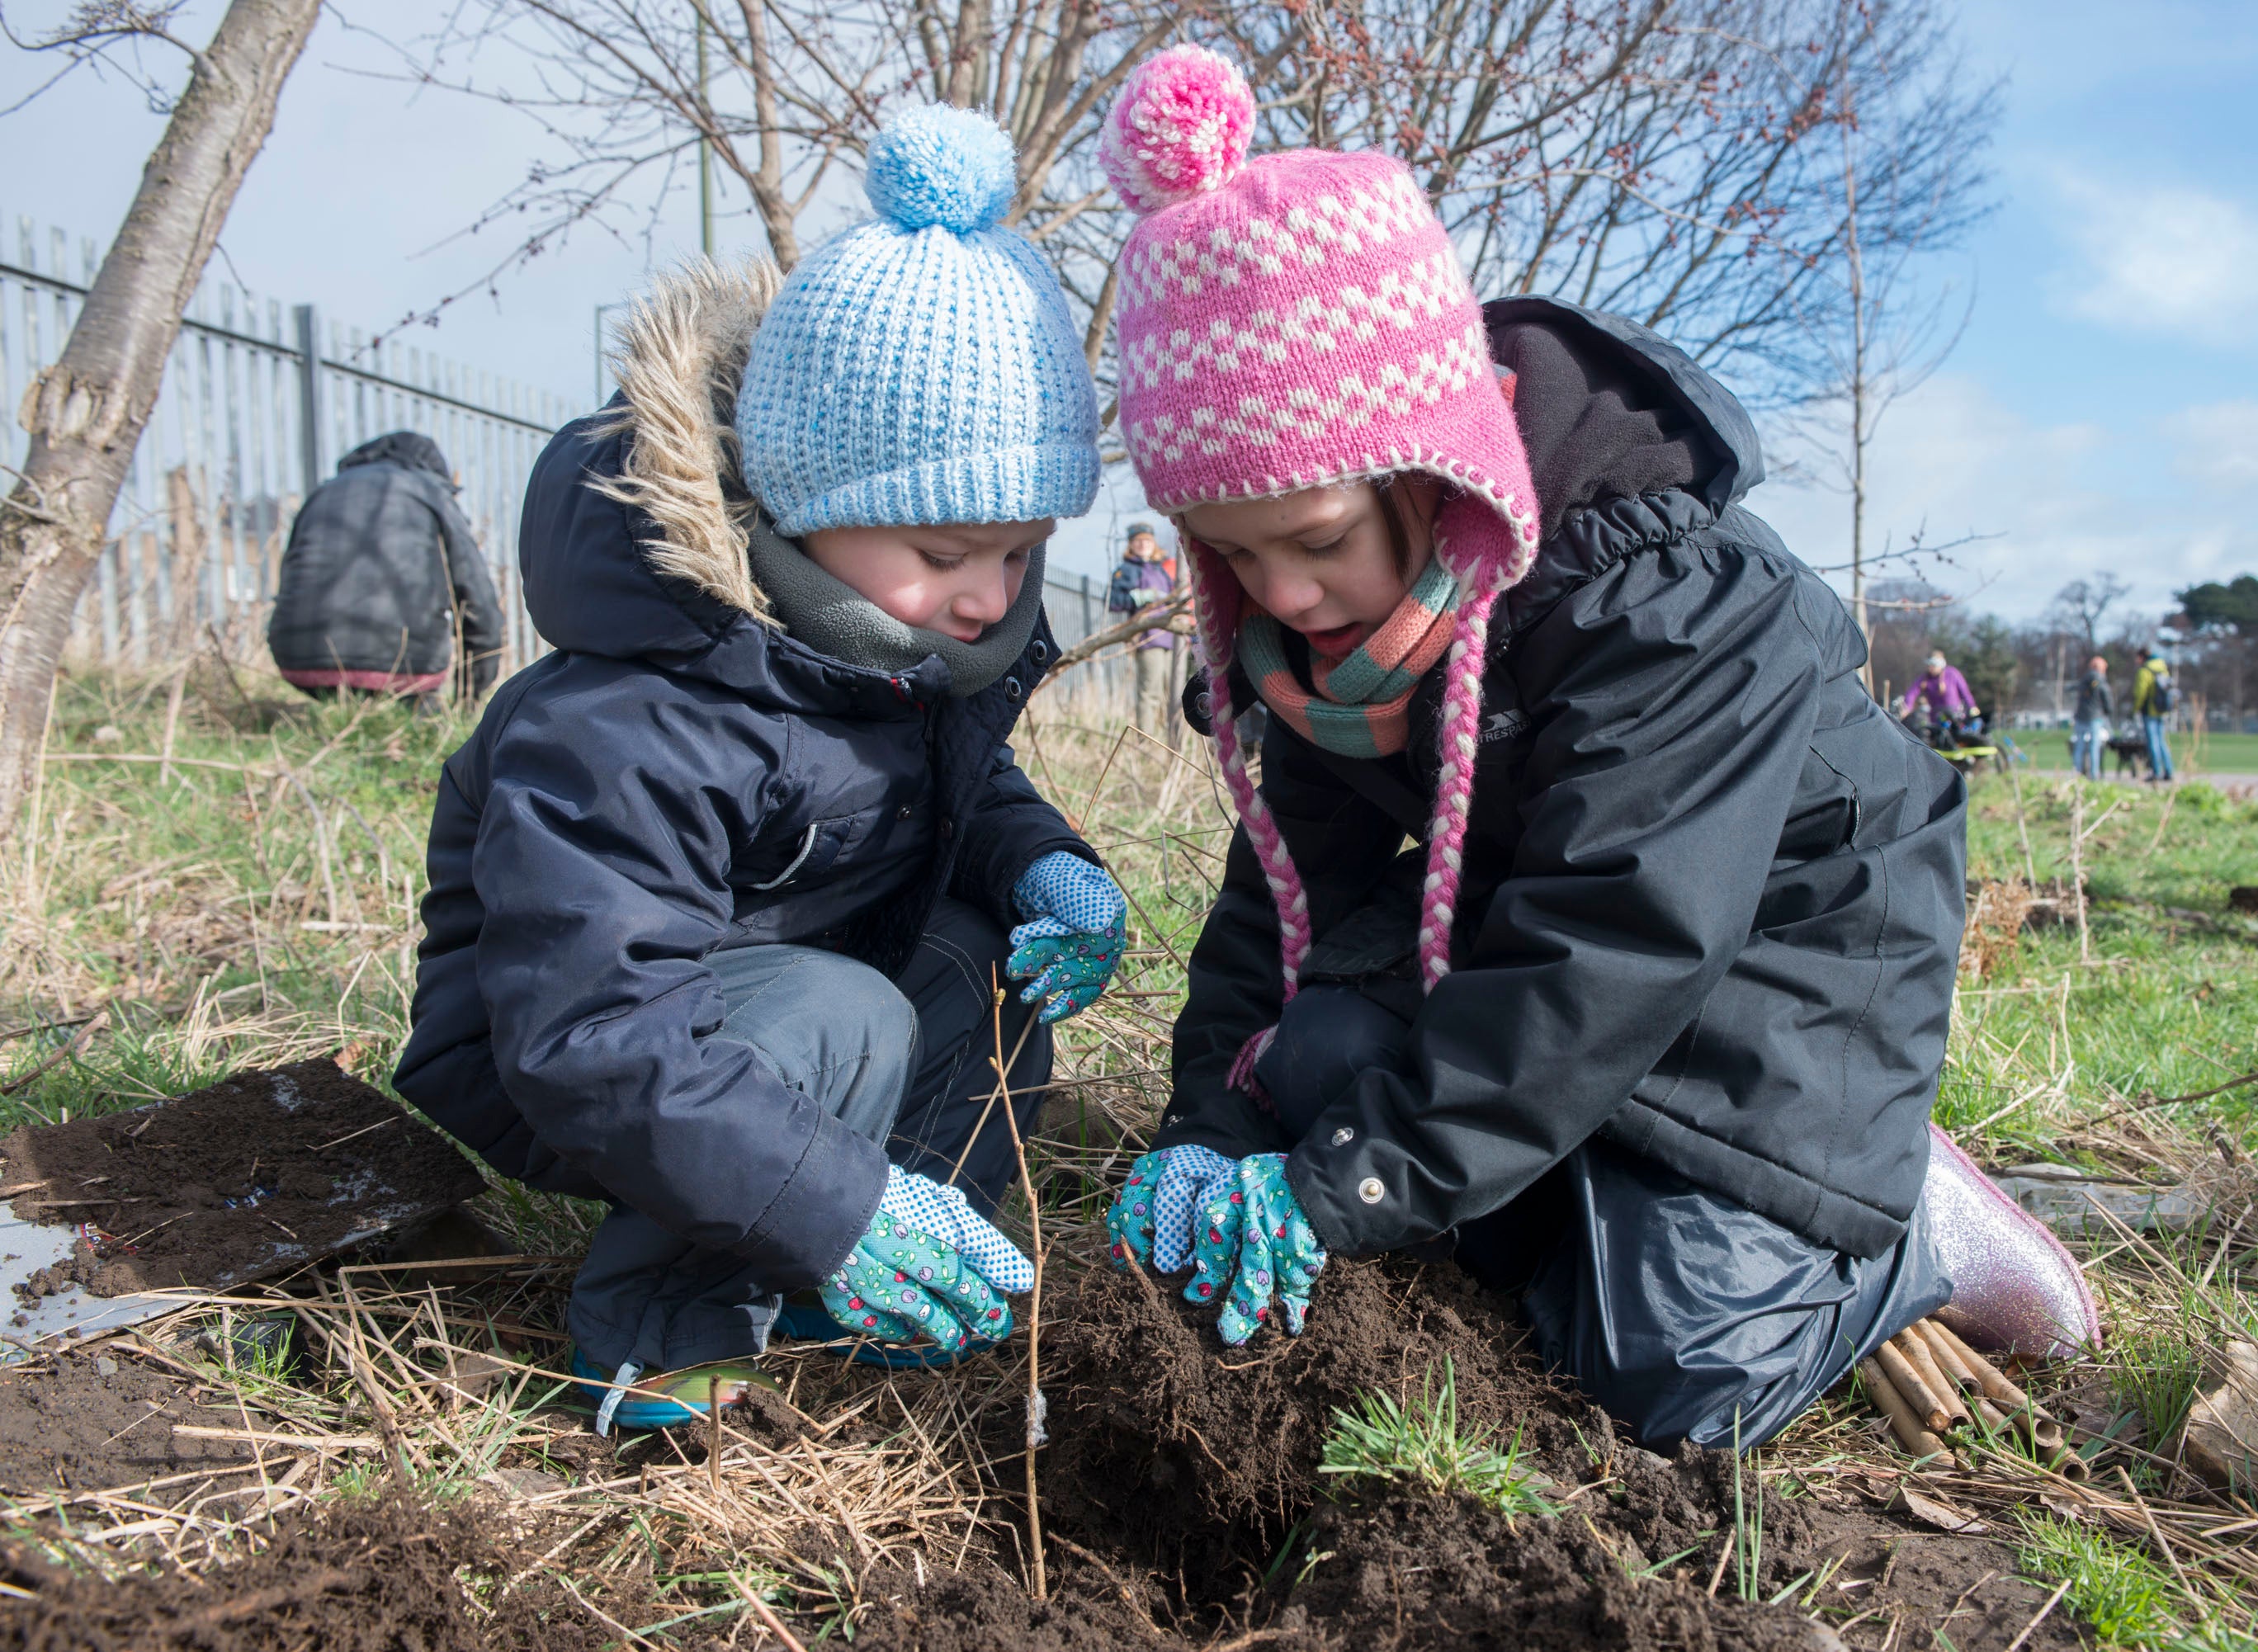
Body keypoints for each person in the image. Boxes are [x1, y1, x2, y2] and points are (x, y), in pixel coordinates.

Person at [1094, 49, 2091, 1451]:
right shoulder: (1322, 631)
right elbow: (1285, 893)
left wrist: (1346, 1191)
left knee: (1679, 1377)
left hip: (1778, 954)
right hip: (1536, 936)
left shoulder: (1669, 605)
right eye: (1237, 555)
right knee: (1306, 1069)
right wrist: (1206, 1121)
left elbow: (1621, 932)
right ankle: (1621, 1198)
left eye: (1314, 541)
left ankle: (1885, 1223)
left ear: (1431, 468)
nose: (1290, 597)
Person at [394, 106, 1128, 1433]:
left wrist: (1046, 867)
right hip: (567, 1053)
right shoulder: (636, 707)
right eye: (948, 550)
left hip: (770, 1019)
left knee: (977, 965)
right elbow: (595, 1029)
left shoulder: (893, 656)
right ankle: (662, 1351)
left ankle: (878, 1261)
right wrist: (824, 1189)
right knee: (852, 1013)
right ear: (801, 504)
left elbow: (957, 798)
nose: (987, 597)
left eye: (1017, 555)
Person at [267, 431, 503, 707]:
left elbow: (290, 579)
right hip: (405, 669)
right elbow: (476, 596)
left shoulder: (324, 492)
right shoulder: (431, 492)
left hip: (301, 662)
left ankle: (341, 710)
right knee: (416, 707)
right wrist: (470, 694)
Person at [1108, 522, 1182, 742]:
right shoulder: (1126, 571)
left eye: (1147, 540)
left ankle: (1171, 741)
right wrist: (1137, 597)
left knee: (1170, 694)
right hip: (1147, 638)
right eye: (1138, 541)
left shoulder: (1161, 569)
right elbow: (1113, 601)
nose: (1143, 544)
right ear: (1131, 545)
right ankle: (1146, 743)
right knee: (1149, 692)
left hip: (1170, 636)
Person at [1901, 651, 1978, 734]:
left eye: (1933, 665)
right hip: (1936, 719)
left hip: (1955, 717)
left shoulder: (1952, 674)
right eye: (1928, 665)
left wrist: (1972, 706)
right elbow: (1912, 693)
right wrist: (1907, 708)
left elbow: (1965, 692)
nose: (1930, 668)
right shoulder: (1925, 679)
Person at [2133, 649, 2176, 782]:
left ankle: (2156, 772)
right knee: (2161, 741)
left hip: (2150, 710)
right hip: (2162, 711)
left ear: (2142, 657)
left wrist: (2136, 708)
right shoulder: (2163, 668)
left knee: (2153, 742)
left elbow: (2141, 693)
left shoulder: (2144, 671)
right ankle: (2169, 770)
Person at [2071, 655, 2113, 781]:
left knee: (2079, 745)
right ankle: (2094, 775)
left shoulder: (2084, 679)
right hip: (2095, 716)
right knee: (2094, 746)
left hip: (2080, 716)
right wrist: (2108, 710)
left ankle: (2077, 772)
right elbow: (2106, 696)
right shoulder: (2100, 679)